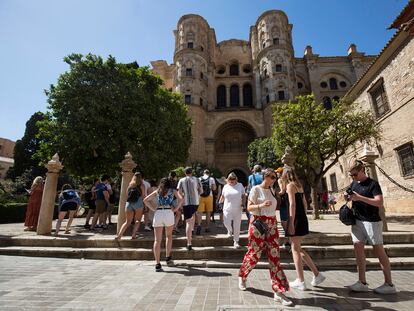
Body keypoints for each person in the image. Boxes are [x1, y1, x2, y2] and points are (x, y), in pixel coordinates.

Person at [238, 168, 292, 307]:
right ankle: (243, 276)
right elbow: (249, 208)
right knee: (254, 254)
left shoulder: (273, 190)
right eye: (272, 177)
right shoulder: (256, 189)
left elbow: (277, 203)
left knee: (274, 256)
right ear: (265, 177)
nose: (274, 179)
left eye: (275, 177)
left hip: (272, 224)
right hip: (258, 223)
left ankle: (278, 290)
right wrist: (261, 205)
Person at [345, 159, 396, 294]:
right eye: (351, 175)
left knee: (379, 250)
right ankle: (362, 281)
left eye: (355, 174)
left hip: (371, 221)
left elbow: (379, 202)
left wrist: (359, 198)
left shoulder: (373, 184)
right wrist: (348, 197)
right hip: (357, 221)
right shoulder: (354, 183)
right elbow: (352, 197)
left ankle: (389, 284)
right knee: (358, 249)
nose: (353, 177)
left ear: (362, 170)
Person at [284, 168, 326, 290]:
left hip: (295, 219)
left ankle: (301, 281)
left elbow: (292, 204)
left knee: (295, 249)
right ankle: (317, 274)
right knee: (298, 248)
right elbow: (304, 204)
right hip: (302, 218)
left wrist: (291, 222)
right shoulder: (299, 185)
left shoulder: (290, 186)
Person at [144, 177, 183, 272]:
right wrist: (176, 209)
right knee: (169, 236)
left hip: (158, 213)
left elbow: (145, 200)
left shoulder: (158, 190)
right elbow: (181, 199)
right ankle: (168, 258)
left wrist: (153, 208)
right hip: (168, 212)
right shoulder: (172, 191)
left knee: (157, 240)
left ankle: (157, 263)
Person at [177, 167, 202, 251]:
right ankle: (192, 229)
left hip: (186, 203)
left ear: (185, 173)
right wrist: (196, 194)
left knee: (188, 221)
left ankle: (189, 242)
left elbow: (179, 191)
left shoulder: (181, 180)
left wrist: (183, 197)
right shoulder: (197, 179)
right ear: (192, 172)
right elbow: (201, 191)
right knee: (193, 214)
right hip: (195, 202)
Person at [115, 172, 146, 240]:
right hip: (138, 202)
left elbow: (127, 194)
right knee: (137, 220)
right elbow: (143, 196)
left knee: (127, 221)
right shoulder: (142, 185)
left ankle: (119, 235)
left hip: (129, 203)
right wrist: (145, 205)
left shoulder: (130, 185)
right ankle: (133, 235)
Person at [219, 172, 245, 249]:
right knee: (226, 222)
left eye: (233, 179)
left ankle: (236, 241)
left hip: (238, 208)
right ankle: (230, 230)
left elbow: (243, 195)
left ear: (236, 179)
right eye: (230, 179)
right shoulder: (225, 186)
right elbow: (222, 196)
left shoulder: (240, 185)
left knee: (237, 225)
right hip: (227, 208)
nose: (232, 181)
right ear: (228, 180)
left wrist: (243, 204)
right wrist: (220, 203)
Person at [196, 169, 216, 234]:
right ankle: (207, 227)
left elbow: (197, 188)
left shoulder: (199, 179)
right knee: (208, 212)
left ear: (203, 173)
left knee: (199, 212)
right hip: (209, 196)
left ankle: (199, 225)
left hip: (200, 197)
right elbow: (214, 188)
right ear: (209, 173)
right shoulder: (211, 179)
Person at [276, 167, 290, 250]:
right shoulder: (288, 180)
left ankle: (288, 239)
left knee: (283, 222)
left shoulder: (280, 180)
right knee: (288, 220)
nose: (277, 174)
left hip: (283, 201)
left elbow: (283, 191)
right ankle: (289, 239)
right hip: (288, 200)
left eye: (278, 172)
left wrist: (275, 194)